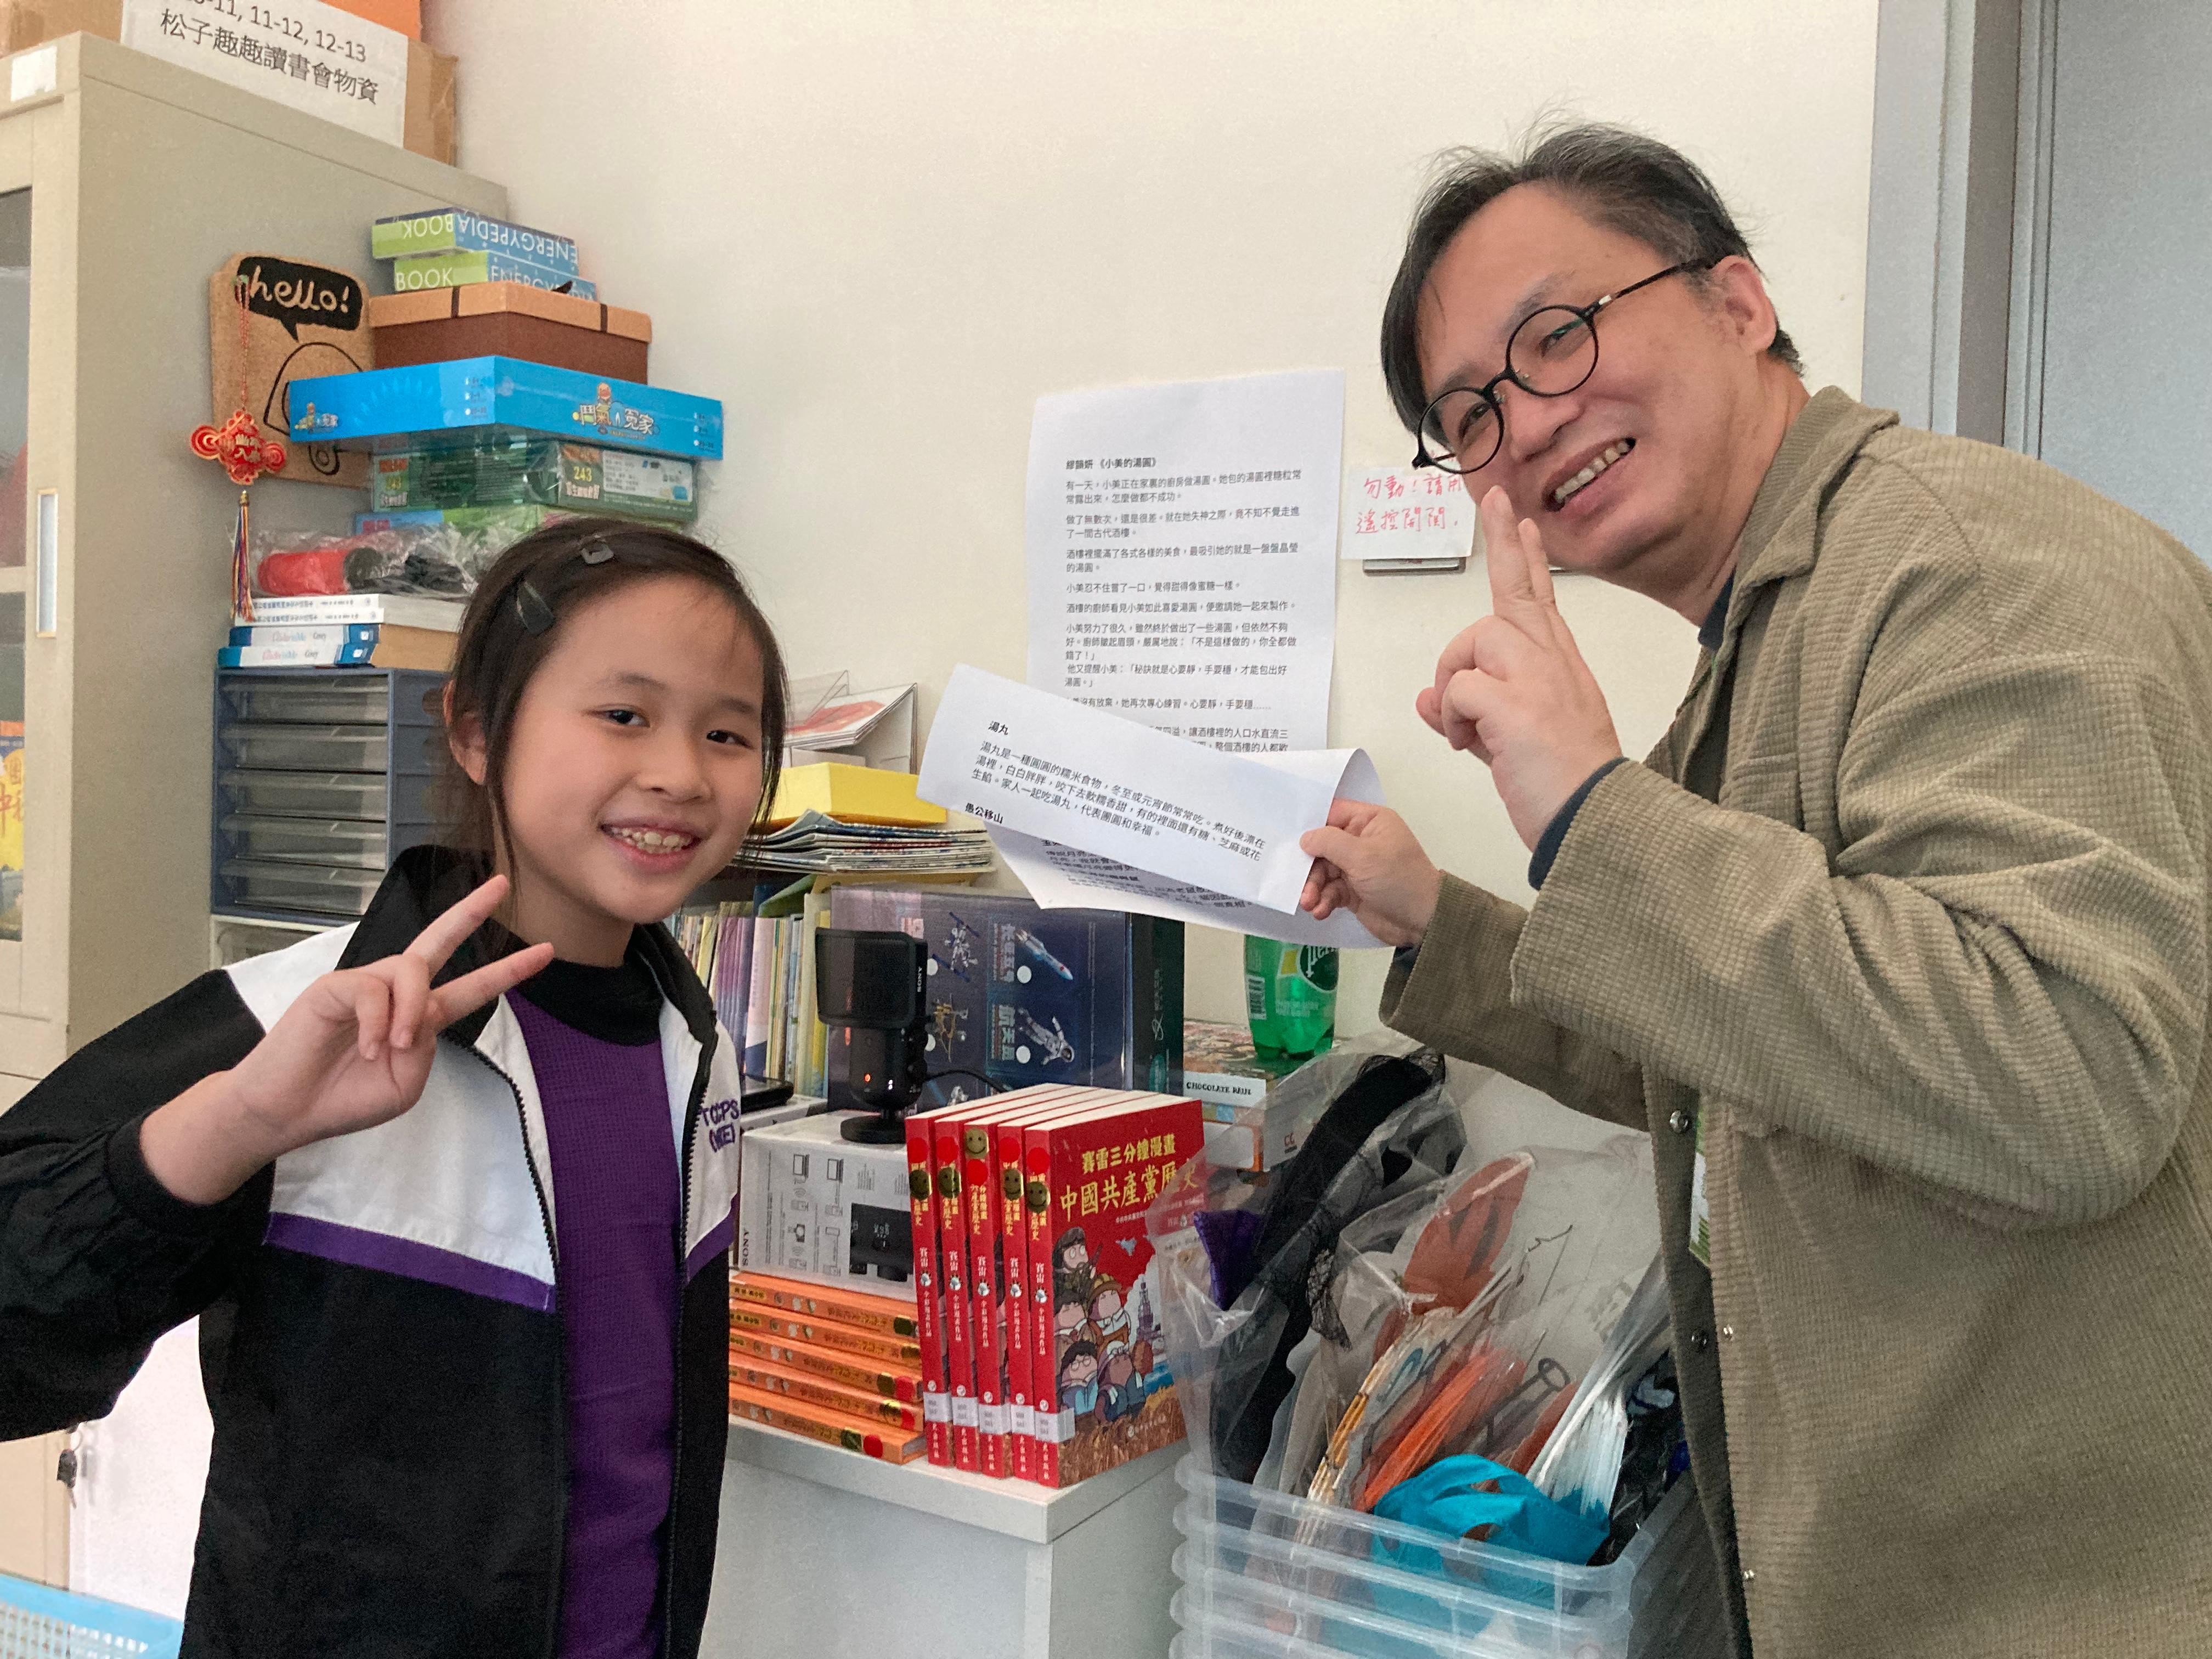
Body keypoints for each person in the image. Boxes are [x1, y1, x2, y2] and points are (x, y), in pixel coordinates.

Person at [1299, 123, 2212, 1659]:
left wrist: (1592, 807)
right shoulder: (1770, 636)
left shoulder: (1969, 566)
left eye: (1557, 335)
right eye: (1470, 413)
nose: (1525, 422)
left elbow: (2066, 1075)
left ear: (1737, 302)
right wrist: (1433, 917)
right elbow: (1729, 1044)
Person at [0, 520, 788, 1659]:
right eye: (624, 714)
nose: (679, 772)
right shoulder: (301, 1020)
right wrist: (239, 1123)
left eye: (727, 732)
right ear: (475, 731)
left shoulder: (690, 1037)